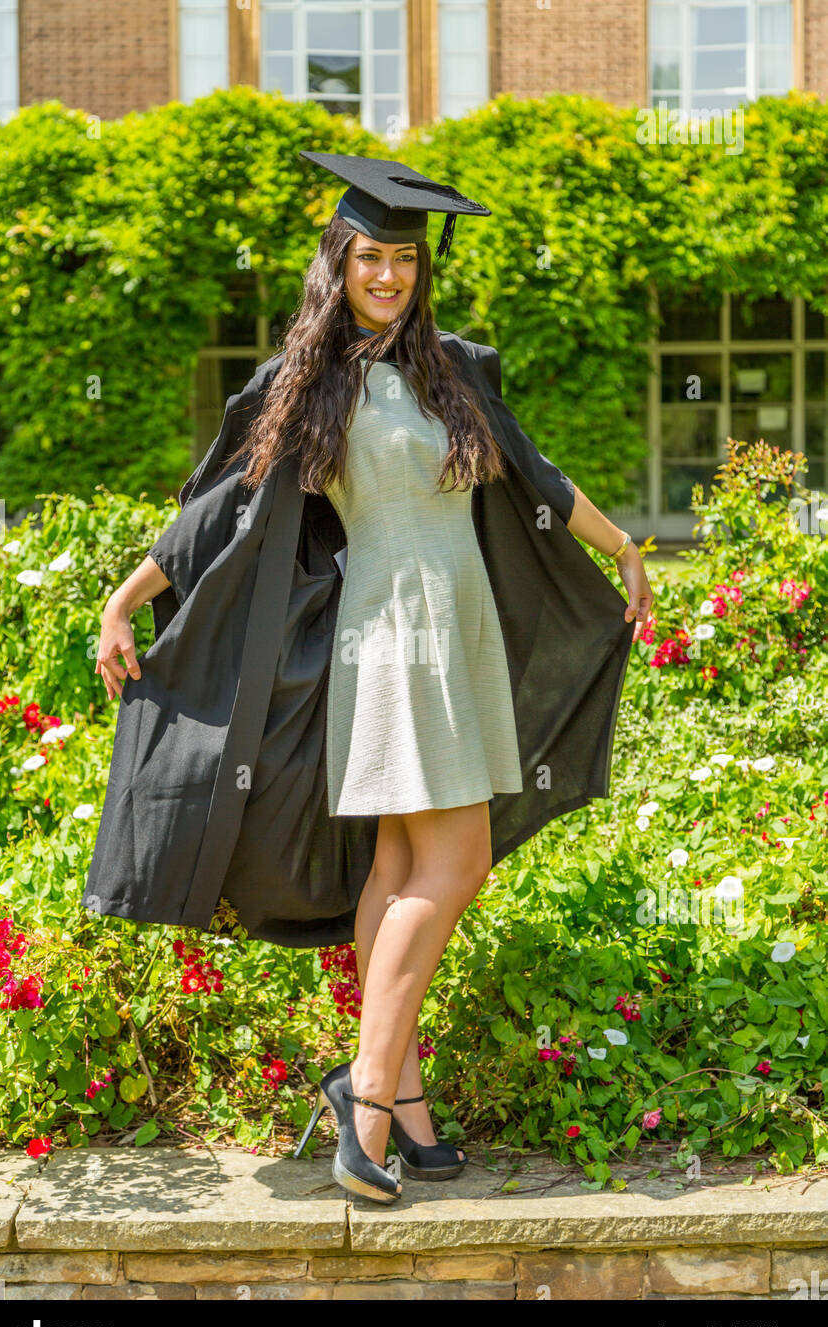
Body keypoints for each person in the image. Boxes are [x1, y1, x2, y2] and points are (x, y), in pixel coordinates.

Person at [90, 150, 654, 1205]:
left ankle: (404, 1105)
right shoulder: (311, 379)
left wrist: (622, 546)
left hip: (463, 628)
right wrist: (128, 594)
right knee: (455, 864)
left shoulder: (454, 370)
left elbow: (532, 475)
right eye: (367, 258)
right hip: (389, 634)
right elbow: (225, 507)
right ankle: (365, 1090)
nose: (385, 276)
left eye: (401, 259)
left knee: (399, 867)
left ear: (418, 268)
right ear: (336, 265)